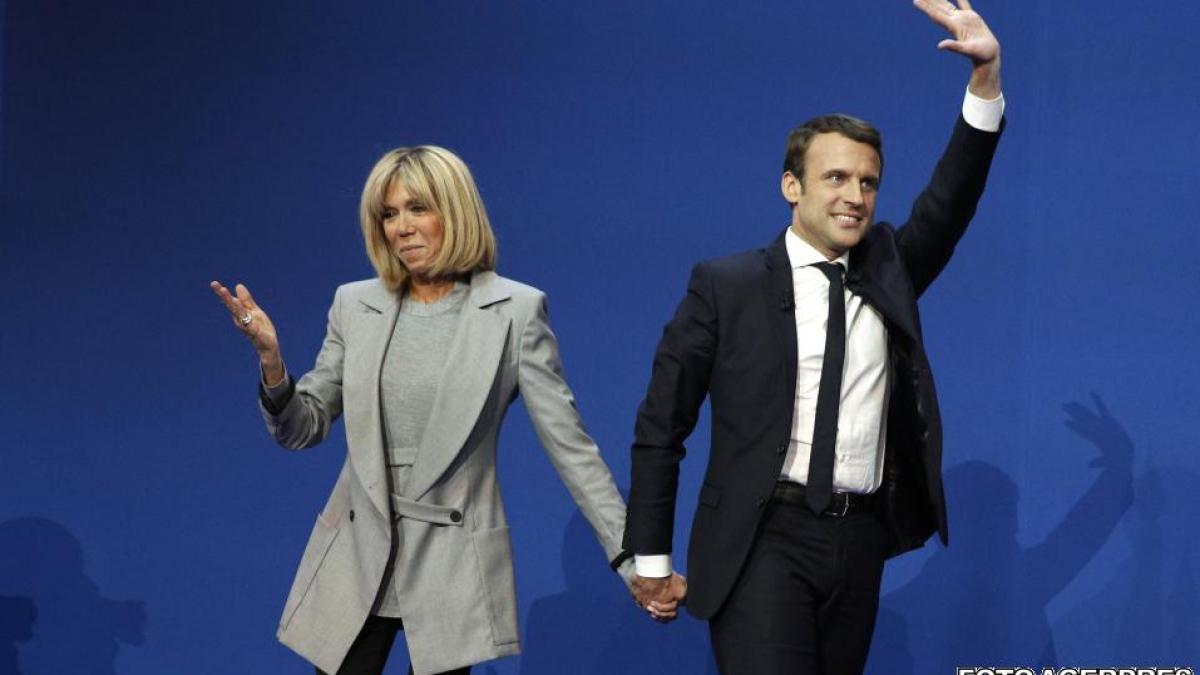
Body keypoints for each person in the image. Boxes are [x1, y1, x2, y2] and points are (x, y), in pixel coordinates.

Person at [623, 1, 1005, 673]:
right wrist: (649, 556)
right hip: (762, 536)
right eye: (836, 178)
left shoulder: (890, 269)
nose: (855, 195)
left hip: (859, 541)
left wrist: (985, 79)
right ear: (791, 186)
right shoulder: (726, 284)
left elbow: (952, 199)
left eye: (868, 182)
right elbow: (663, 424)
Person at [211, 146, 678, 675]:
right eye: (389, 214)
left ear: (455, 212)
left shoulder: (515, 311)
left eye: (418, 208)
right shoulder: (355, 304)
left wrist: (632, 561)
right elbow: (302, 427)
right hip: (360, 549)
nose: (402, 228)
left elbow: (572, 450)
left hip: (452, 557)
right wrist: (272, 363)